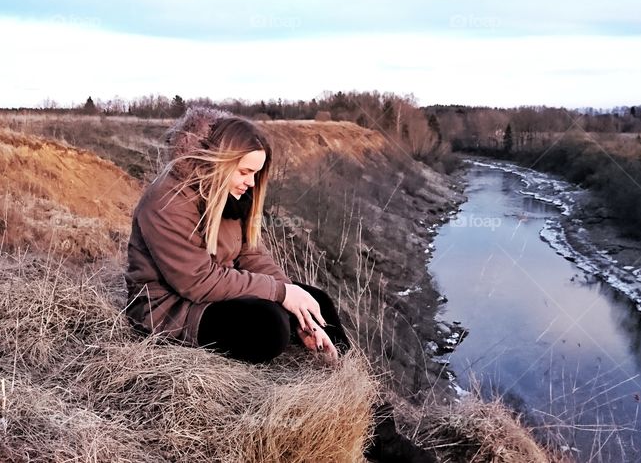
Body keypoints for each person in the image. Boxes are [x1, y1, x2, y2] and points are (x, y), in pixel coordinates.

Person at [123, 106, 435, 462]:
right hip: (169, 309)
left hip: (211, 296)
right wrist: (281, 295)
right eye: (244, 172)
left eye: (256, 173)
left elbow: (251, 255)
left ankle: (383, 438)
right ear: (218, 161)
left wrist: (296, 302)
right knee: (268, 328)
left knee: (316, 301)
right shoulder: (166, 201)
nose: (251, 183)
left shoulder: (229, 195)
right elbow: (196, 281)